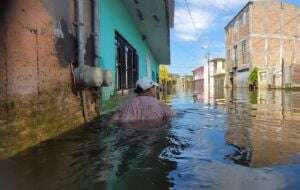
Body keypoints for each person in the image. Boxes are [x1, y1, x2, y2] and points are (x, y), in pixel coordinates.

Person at [111, 77, 175, 123]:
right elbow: (173, 117)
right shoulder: (161, 105)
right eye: (154, 88)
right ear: (150, 89)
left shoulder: (126, 105)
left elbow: (113, 121)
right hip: (154, 133)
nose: (155, 90)